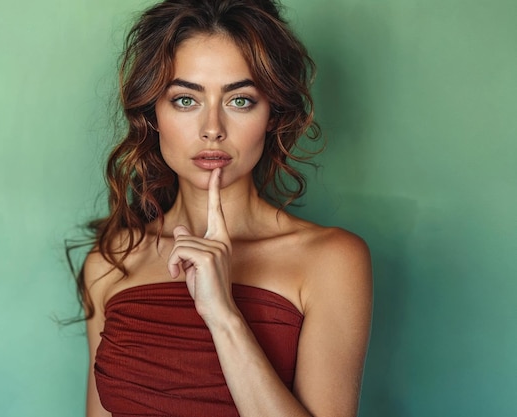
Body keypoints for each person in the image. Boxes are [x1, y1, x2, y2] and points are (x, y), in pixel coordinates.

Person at [76, 0, 372, 416]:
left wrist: (224, 318)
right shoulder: (110, 262)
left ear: (272, 114)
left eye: (240, 100)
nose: (212, 129)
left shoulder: (331, 260)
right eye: (185, 100)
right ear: (153, 113)